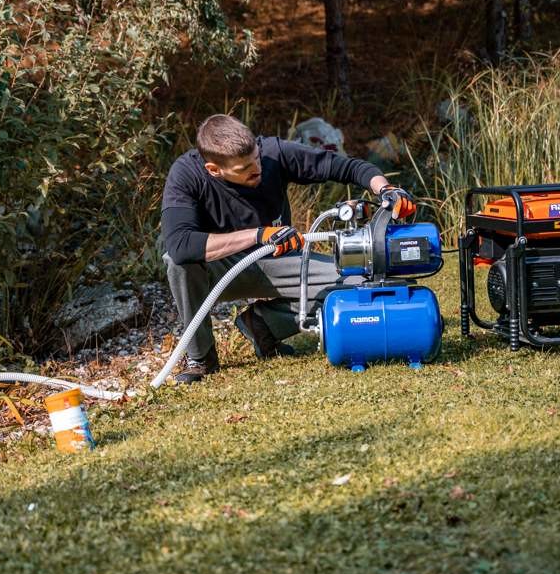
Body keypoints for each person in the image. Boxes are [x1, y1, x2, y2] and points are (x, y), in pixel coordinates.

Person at [160, 114, 414, 384]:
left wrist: (386, 190)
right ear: (214, 169)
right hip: (221, 269)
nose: (257, 168)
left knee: (363, 283)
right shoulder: (186, 174)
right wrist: (259, 235)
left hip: (280, 261)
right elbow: (180, 246)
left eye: (256, 158)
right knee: (178, 264)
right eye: (244, 168)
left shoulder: (272, 152)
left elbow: (348, 167)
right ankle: (201, 357)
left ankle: (263, 325)